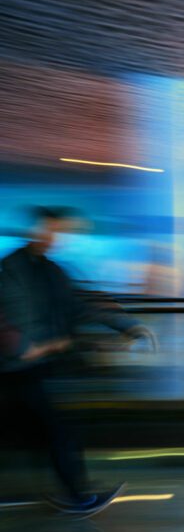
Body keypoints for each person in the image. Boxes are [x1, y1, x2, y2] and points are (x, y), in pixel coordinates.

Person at [0, 206, 155, 516]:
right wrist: (25, 347)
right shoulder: (10, 270)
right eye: (56, 229)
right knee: (55, 431)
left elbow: (82, 306)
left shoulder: (51, 270)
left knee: (48, 432)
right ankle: (75, 496)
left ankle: (71, 493)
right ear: (37, 229)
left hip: (37, 366)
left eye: (63, 231)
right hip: (17, 367)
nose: (60, 237)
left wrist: (128, 326)